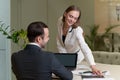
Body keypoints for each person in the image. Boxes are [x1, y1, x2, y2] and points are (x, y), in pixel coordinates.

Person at [56, 5, 102, 76]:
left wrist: (93, 66)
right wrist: (64, 59)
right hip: (64, 54)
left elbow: (84, 47)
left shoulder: (77, 31)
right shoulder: (60, 21)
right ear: (65, 14)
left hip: (76, 56)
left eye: (75, 18)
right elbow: (59, 41)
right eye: (70, 16)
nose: (72, 20)